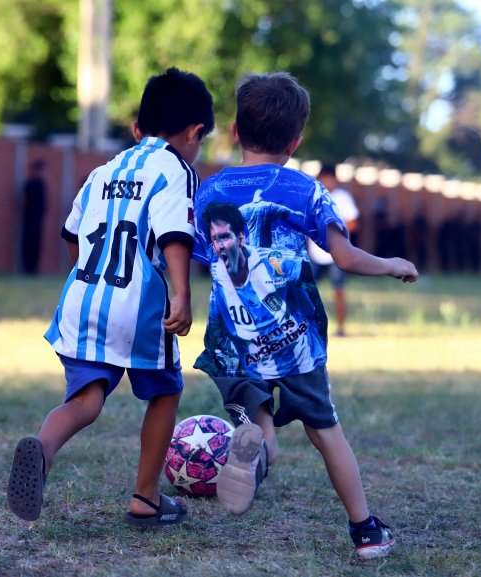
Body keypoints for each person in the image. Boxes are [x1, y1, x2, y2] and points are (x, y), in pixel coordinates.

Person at [191, 72, 418, 560]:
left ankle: (260, 447)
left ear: (234, 131)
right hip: (294, 339)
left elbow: (193, 257)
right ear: (295, 142)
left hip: (231, 339)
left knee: (256, 415)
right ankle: (365, 531)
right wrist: (392, 264)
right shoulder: (306, 189)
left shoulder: (208, 192)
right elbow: (347, 258)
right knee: (324, 430)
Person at [6, 67, 215, 527]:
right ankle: (145, 498)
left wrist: (93, 276)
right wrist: (181, 294)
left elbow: (72, 234)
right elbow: (175, 233)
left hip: (82, 300)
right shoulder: (177, 169)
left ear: (137, 128)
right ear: (194, 132)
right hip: (138, 306)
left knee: (86, 399)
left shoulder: (104, 170)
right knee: (165, 390)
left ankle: (41, 453)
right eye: (200, 143)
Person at [307, 164, 360, 337]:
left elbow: (353, 223)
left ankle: (341, 327)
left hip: (337, 253)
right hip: (315, 252)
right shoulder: (312, 196)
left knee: (339, 289)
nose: (327, 181)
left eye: (330, 178)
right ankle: (306, 326)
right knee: (306, 290)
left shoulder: (342, 198)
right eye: (324, 177)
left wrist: (333, 229)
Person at [21, 159, 47, 275]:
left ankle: (33, 268)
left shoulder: (41, 183)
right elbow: (24, 201)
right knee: (29, 243)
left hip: (37, 219)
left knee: (35, 243)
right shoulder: (30, 183)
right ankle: (28, 268)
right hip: (30, 218)